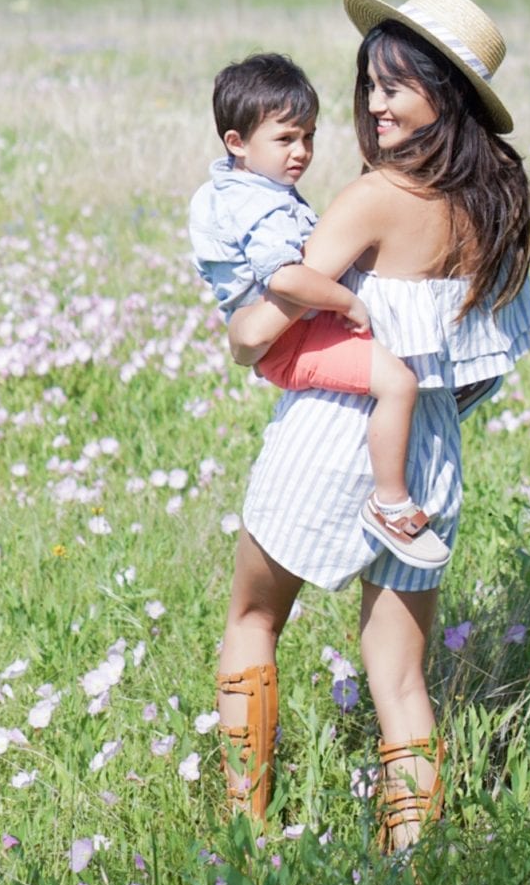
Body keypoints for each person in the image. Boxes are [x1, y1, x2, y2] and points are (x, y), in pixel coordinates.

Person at [214, 0, 530, 846]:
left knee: (252, 620)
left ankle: (246, 836)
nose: (374, 104)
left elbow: (262, 328)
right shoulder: (496, 206)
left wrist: (243, 335)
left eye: (396, 86)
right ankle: (411, 877)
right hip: (426, 452)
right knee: (400, 680)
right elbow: (486, 359)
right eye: (369, 86)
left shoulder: (373, 197)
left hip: (331, 429)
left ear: (446, 95)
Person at [189, 51, 448, 570]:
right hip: (290, 342)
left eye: (308, 136)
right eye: (285, 139)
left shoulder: (249, 187)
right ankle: (390, 503)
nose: (301, 151)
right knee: (397, 383)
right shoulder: (255, 203)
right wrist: (346, 300)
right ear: (236, 144)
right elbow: (284, 276)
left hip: (290, 337)